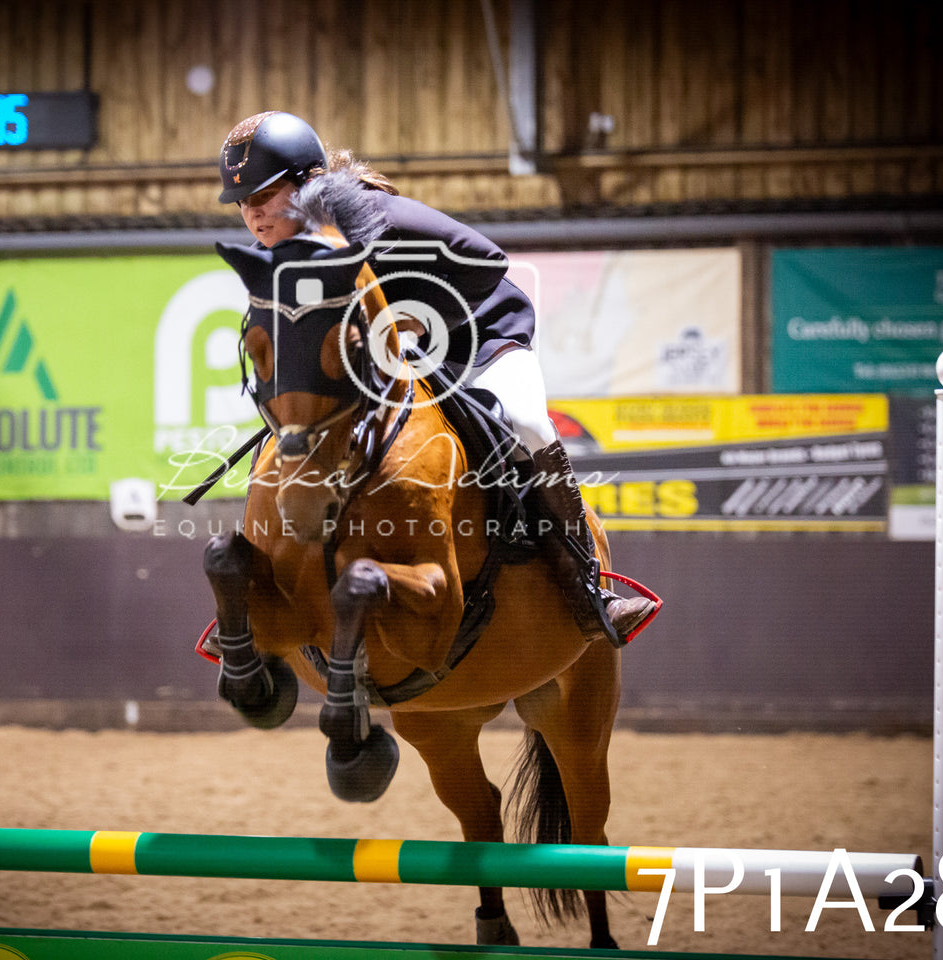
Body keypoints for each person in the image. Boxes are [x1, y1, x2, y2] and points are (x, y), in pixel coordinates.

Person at [217, 110, 654, 648]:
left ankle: (589, 586)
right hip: (393, 359)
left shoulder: (378, 214)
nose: (254, 216)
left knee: (527, 424)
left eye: (266, 197)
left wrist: (412, 324)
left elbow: (487, 263)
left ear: (310, 182)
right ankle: (256, 596)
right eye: (243, 204)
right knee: (289, 437)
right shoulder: (282, 256)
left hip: (478, 337)